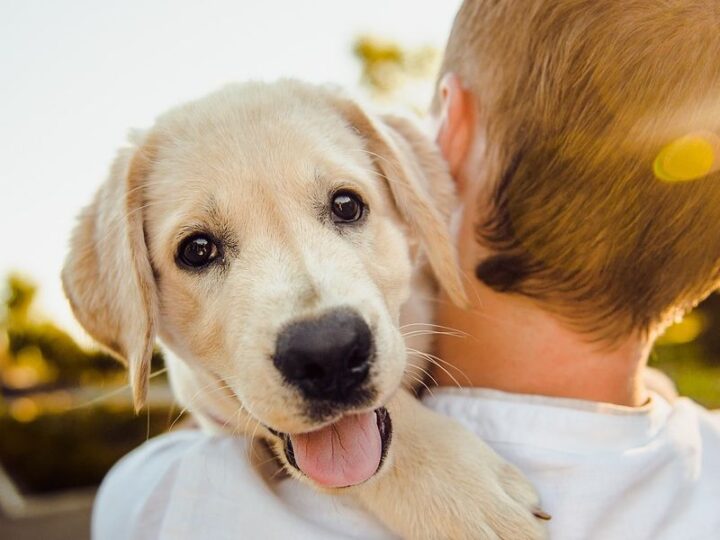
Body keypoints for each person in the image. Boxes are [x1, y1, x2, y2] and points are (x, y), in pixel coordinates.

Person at [93, 1, 720, 538]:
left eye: (345, 206)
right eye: (200, 250)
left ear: (447, 136)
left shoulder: (158, 502)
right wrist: (405, 454)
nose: (321, 335)